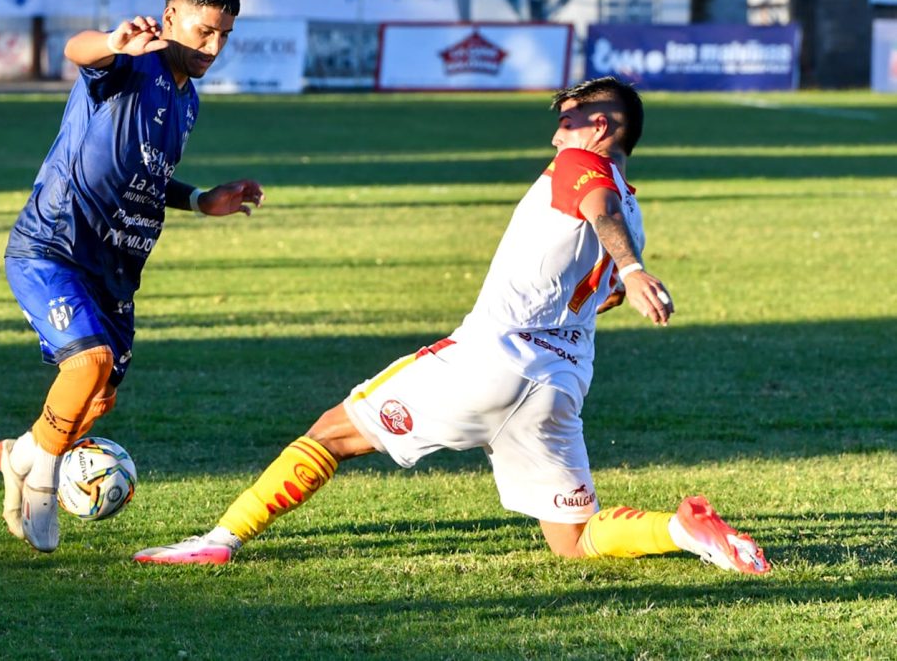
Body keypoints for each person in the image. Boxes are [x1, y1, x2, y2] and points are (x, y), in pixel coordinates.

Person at [133, 76, 770, 575]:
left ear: (600, 125)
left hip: (490, 361)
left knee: (331, 434)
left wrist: (631, 272)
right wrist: (623, 274)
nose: (558, 128)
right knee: (575, 542)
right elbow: (594, 283)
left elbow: (597, 213)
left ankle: (219, 539)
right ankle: (682, 530)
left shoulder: (587, 169)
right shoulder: (636, 208)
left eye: (569, 117)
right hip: (559, 385)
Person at [0, 0, 264, 553]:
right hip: (54, 244)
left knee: (100, 393)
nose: (213, 47)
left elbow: (146, 174)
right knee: (86, 364)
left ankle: (22, 452)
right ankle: (41, 479)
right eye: (203, 31)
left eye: (224, 36)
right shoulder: (130, 61)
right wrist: (112, 42)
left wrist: (198, 198)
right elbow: (77, 49)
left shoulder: (188, 101)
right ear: (170, 17)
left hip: (115, 271)